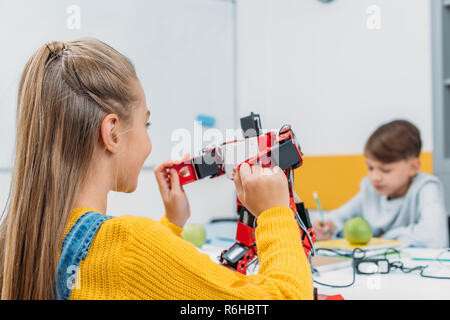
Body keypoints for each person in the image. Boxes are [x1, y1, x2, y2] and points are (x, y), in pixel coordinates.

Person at [0, 38, 313, 300]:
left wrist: (172, 223)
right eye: (145, 123)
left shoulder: (15, 243)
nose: (149, 142)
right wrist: (274, 213)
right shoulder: (132, 245)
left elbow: (121, 281)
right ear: (111, 133)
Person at [314, 120, 449, 248]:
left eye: (385, 170)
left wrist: (387, 238)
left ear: (413, 167)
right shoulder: (370, 188)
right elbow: (339, 217)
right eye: (370, 168)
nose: (375, 177)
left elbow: (436, 237)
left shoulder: (426, 187)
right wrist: (329, 226)